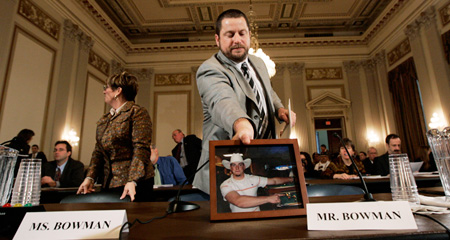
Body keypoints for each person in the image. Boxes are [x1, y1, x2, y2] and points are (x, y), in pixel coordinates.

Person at [194, 9, 296, 194]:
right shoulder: (209, 69)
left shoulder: (258, 63)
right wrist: (242, 125)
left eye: (242, 33)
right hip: (222, 175)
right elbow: (222, 100)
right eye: (229, 35)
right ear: (217, 39)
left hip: (260, 166)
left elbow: (267, 90)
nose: (237, 40)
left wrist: (279, 109)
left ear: (249, 35)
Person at [77, 71, 154, 202]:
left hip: (133, 184)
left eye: (106, 88)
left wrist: (133, 180)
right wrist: (89, 177)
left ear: (118, 91)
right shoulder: (104, 119)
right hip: (109, 182)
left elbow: (140, 149)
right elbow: (98, 152)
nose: (104, 91)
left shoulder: (137, 113)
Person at [220, 153, 294, 212]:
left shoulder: (253, 179)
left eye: (240, 164)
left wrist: (291, 179)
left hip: (256, 217)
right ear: (230, 167)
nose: (237, 168)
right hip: (238, 220)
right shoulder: (225, 185)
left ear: (244, 166)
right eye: (234, 165)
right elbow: (238, 201)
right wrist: (268, 199)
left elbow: (274, 181)